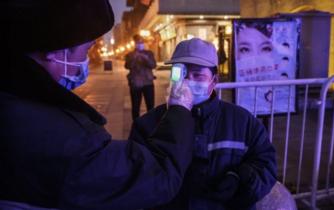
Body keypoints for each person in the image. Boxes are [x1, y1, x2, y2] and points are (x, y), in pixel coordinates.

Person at [1, 1, 195, 209]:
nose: (84, 64)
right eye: (85, 51)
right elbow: (156, 177)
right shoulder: (68, 141)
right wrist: (179, 110)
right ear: (54, 51)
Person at [129, 38, 277, 210]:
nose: (186, 81)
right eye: (180, 73)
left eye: (197, 75)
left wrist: (241, 179)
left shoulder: (243, 122)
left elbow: (265, 163)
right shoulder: (147, 124)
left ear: (214, 80)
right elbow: (136, 180)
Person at [125, 35, 157, 120]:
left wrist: (145, 58)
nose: (139, 44)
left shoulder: (149, 53)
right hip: (135, 83)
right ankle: (136, 124)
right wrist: (134, 58)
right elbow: (127, 66)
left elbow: (153, 65)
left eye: (141, 42)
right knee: (135, 107)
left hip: (148, 83)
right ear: (135, 44)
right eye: (138, 43)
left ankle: (151, 123)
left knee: (150, 105)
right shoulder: (130, 54)